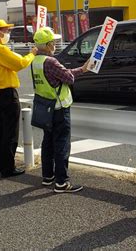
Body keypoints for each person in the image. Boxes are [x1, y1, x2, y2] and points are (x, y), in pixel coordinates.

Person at [0, 19, 38, 178]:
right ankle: (8, 167)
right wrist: (32, 53)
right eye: (6, 31)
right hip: (8, 94)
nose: (8, 34)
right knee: (10, 133)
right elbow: (19, 63)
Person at [32, 27, 89, 193]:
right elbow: (69, 77)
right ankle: (62, 182)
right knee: (62, 144)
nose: (55, 44)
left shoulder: (35, 61)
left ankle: (48, 176)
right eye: (54, 42)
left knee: (47, 142)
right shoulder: (50, 62)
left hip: (45, 107)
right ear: (49, 44)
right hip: (59, 107)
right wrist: (83, 69)